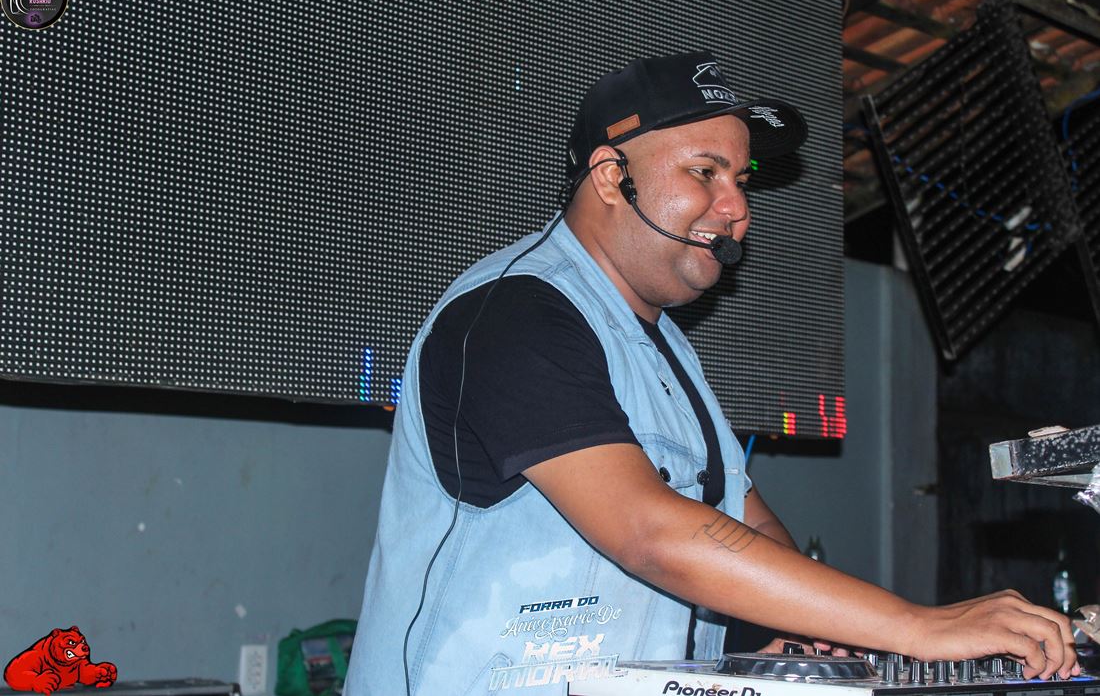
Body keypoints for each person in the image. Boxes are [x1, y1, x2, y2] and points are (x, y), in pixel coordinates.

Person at [344, 52, 1079, 696]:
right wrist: (914, 626)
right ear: (611, 177)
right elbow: (649, 530)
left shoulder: (665, 345)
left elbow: (743, 516)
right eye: (705, 172)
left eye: (741, 179)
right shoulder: (514, 315)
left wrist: (807, 625)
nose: (737, 208)